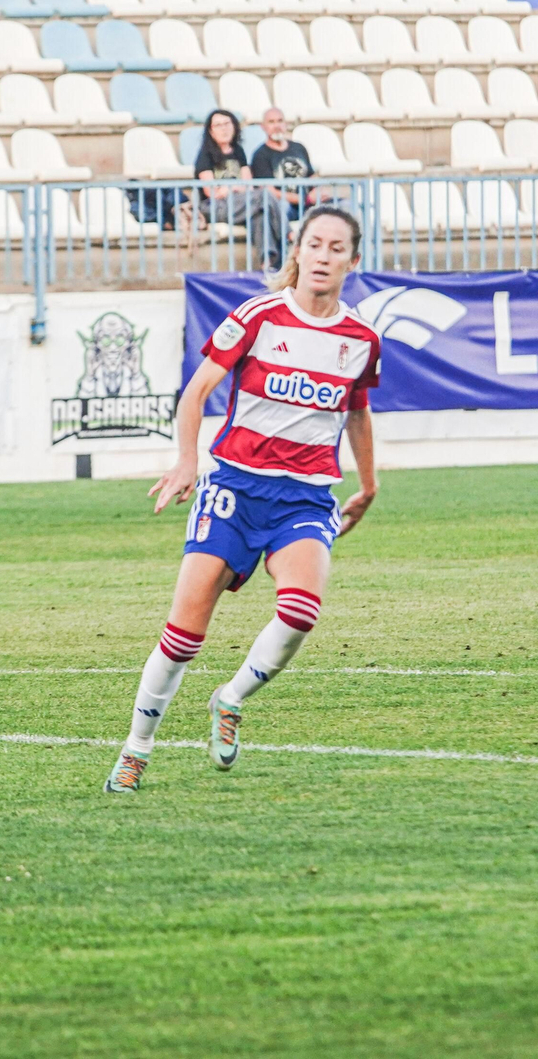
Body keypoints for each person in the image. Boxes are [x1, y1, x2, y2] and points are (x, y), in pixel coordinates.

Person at [103, 207, 380, 794]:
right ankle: (137, 747)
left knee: (302, 610)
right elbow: (197, 390)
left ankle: (230, 700)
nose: (324, 256)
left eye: (337, 248)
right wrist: (187, 460)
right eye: (315, 244)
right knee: (182, 637)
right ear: (298, 252)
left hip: (304, 498)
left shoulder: (360, 340)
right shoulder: (259, 316)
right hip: (233, 488)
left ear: (353, 262)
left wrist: (370, 483)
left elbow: (357, 410)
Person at [195, 108, 285, 270]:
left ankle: (268, 264)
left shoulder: (238, 152)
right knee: (264, 195)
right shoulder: (205, 155)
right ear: (211, 131)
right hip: (215, 207)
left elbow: (249, 185)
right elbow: (212, 192)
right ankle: (287, 234)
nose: (224, 128)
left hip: (240, 203)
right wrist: (236, 187)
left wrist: (230, 188)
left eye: (227, 124)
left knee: (260, 215)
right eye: (218, 125)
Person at [249, 107, 331, 225]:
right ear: (263, 127)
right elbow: (270, 191)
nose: (276, 125)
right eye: (271, 122)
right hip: (287, 206)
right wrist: (305, 199)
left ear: (285, 124)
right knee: (281, 206)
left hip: (309, 204)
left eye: (280, 121)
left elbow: (311, 176)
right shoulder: (260, 155)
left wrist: (319, 191)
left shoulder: (299, 148)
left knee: (344, 205)